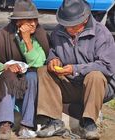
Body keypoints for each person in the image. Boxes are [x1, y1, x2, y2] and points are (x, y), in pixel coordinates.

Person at [36, 0, 115, 139]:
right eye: (65, 25)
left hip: (97, 89)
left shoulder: (102, 34)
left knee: (95, 75)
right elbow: (53, 52)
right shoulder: (58, 32)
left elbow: (107, 66)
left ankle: (89, 123)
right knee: (43, 71)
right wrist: (53, 61)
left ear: (84, 20)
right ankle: (54, 121)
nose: (67, 29)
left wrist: (75, 69)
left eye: (71, 26)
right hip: (71, 86)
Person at [0, 0, 50, 139]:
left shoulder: (40, 35)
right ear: (18, 22)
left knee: (33, 76)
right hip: (8, 80)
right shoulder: (1, 36)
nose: (33, 23)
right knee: (8, 76)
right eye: (29, 20)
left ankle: (26, 125)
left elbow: (39, 63)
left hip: (30, 81)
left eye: (35, 19)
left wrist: (27, 41)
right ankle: (5, 125)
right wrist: (4, 66)